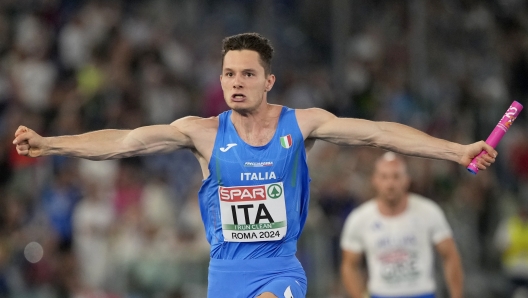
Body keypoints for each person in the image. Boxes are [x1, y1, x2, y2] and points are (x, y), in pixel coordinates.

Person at [13, 32, 495, 298]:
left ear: (269, 81)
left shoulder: (302, 124)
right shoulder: (200, 132)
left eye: (247, 74)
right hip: (223, 276)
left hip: (279, 270)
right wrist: (51, 143)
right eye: (227, 73)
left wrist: (454, 150)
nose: (235, 82)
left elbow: (378, 132)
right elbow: (124, 142)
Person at [340, 152, 464, 298]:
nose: (390, 184)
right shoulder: (360, 218)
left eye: (396, 176)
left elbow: (450, 256)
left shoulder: (428, 211)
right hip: (381, 294)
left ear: (406, 180)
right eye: (384, 177)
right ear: (374, 180)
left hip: (422, 293)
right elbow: (349, 265)